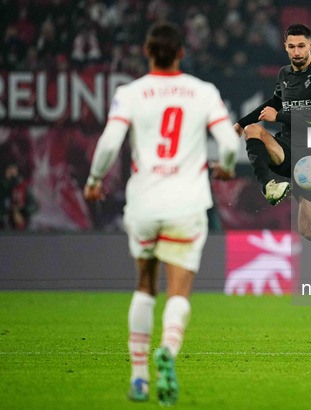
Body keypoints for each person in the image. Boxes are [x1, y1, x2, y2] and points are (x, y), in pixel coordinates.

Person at [84, 22, 238, 405]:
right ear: (181, 53)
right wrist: (228, 166)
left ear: (147, 52)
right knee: (179, 289)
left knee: (145, 286)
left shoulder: (131, 93)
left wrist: (94, 179)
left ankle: (138, 377)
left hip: (144, 202)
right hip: (187, 203)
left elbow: (109, 142)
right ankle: (167, 349)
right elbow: (230, 143)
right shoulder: (203, 92)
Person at [233, 24, 311, 274]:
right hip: (286, 147)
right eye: (292, 46)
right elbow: (274, 101)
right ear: (285, 47)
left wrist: (280, 115)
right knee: (253, 130)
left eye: (301, 46)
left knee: (308, 230)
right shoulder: (284, 74)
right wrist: (241, 123)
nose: (296, 51)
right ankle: (269, 186)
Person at [0, 163, 38, 230]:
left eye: (13, 170)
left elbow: (34, 206)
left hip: (22, 223)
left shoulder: (24, 186)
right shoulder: (2, 186)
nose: (11, 173)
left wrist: (23, 208)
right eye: (9, 170)